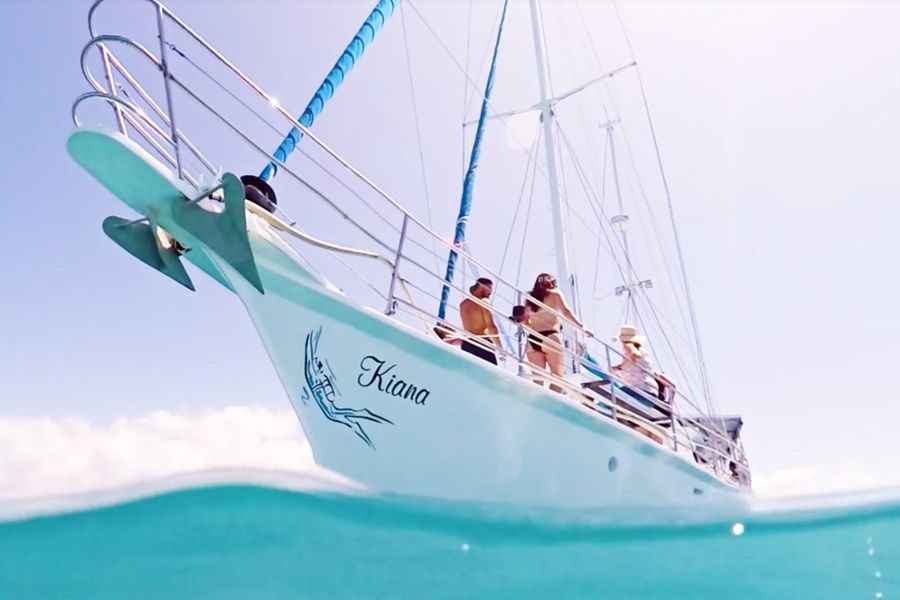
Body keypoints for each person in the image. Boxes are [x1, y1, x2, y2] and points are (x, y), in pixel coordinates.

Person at [514, 273, 592, 393]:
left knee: (537, 380)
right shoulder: (555, 294)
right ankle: (549, 403)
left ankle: (538, 405)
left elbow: (526, 322)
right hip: (550, 337)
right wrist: (582, 327)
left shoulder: (529, 298)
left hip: (533, 339)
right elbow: (566, 312)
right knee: (558, 379)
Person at [458, 278, 502, 365]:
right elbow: (491, 327)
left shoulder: (463, 304)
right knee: (490, 376)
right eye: (489, 288)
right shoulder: (484, 301)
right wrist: (500, 348)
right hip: (482, 344)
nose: (490, 293)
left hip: (467, 343)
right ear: (483, 286)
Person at [612, 325, 658, 397]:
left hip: (638, 390)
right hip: (651, 391)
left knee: (607, 399)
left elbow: (636, 354)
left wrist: (620, 367)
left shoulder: (629, 345)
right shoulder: (643, 350)